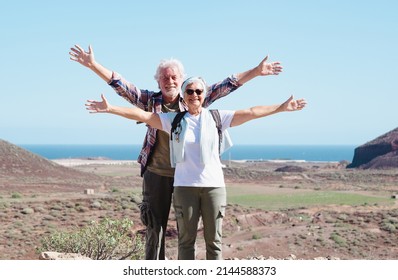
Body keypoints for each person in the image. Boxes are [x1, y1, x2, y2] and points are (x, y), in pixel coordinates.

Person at [70, 44, 283, 260]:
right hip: (157, 173)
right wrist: (93, 65)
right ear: (158, 81)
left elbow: (228, 84)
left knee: (186, 231)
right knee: (155, 227)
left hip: (188, 177)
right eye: (164, 78)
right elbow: (121, 85)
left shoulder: (193, 96)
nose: (170, 81)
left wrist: (256, 71)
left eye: (174, 77)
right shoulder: (150, 101)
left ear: (181, 81)